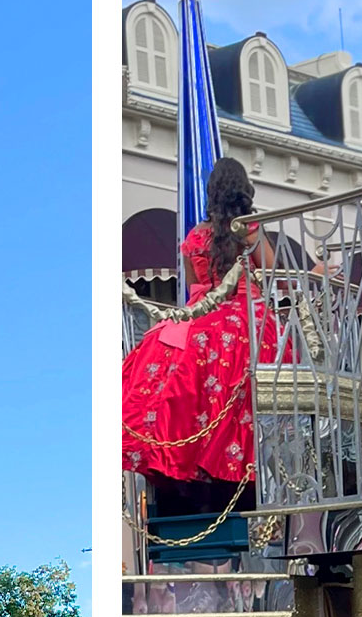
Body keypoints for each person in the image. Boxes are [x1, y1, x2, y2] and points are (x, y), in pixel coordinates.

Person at [121, 156, 286, 504]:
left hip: (197, 318)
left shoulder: (195, 237)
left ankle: (181, 465)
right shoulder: (250, 230)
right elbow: (272, 274)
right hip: (245, 317)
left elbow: (195, 286)